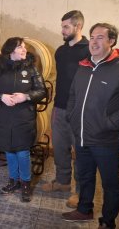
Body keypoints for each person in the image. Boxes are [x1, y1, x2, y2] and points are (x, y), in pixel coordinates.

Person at [62, 23, 119, 228]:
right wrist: (72, 118)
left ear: (111, 41)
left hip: (107, 140)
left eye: (100, 37)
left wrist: (109, 124)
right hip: (82, 136)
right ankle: (84, 210)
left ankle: (107, 222)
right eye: (92, 37)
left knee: (110, 184)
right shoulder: (83, 66)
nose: (94, 41)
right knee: (85, 176)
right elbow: (72, 96)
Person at [0, 37, 47, 202]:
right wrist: (1, 96)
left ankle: (25, 183)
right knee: (9, 150)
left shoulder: (31, 68)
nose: (24, 50)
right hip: (4, 116)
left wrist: (26, 96)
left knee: (22, 151)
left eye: (24, 47)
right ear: (10, 50)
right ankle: (13, 181)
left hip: (23, 118)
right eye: (21, 47)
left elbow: (42, 91)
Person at [41, 10, 90, 208]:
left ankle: (79, 191)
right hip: (59, 107)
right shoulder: (60, 51)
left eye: (66, 27)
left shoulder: (88, 50)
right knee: (60, 148)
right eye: (62, 26)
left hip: (80, 110)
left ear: (78, 27)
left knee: (79, 151)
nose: (62, 30)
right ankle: (62, 182)